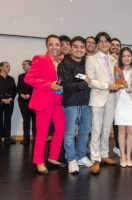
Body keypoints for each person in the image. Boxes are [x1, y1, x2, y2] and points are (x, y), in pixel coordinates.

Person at [25, 35, 66, 174]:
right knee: (42, 133)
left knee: (60, 129)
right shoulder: (40, 59)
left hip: (58, 101)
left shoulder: (62, 60)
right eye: (51, 44)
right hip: (44, 101)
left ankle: (53, 158)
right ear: (47, 46)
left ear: (60, 47)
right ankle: (39, 162)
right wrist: (49, 85)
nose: (55, 47)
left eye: (57, 44)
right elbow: (28, 78)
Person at [86, 32, 121, 175]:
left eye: (107, 41)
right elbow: (90, 81)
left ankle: (104, 154)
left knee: (107, 129)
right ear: (97, 44)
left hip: (112, 98)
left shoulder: (113, 60)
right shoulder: (91, 59)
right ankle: (95, 159)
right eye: (101, 41)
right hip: (98, 97)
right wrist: (108, 86)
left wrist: (121, 83)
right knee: (96, 129)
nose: (104, 44)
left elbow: (117, 77)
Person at [57, 36, 92, 174]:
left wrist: (86, 84)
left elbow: (93, 79)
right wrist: (84, 84)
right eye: (76, 47)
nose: (79, 50)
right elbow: (65, 85)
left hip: (87, 103)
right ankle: (71, 159)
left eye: (82, 47)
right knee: (70, 132)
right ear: (71, 48)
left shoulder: (88, 62)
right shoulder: (64, 64)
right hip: (71, 103)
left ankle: (81, 156)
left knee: (85, 131)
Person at [115, 47, 132, 167]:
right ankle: (122, 155)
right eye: (124, 56)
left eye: (128, 55)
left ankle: (129, 154)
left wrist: (128, 85)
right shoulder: (117, 69)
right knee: (121, 129)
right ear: (121, 57)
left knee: (131, 130)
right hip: (119, 102)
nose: (126, 58)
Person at [17, 60, 36, 144]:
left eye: (24, 65)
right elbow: (18, 87)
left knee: (35, 120)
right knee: (26, 120)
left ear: (30, 65)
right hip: (23, 101)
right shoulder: (21, 76)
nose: (23, 66)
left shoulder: (36, 75)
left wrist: (29, 95)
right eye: (22, 65)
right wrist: (21, 94)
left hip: (34, 100)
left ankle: (35, 138)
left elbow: (36, 87)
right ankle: (26, 138)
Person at [110, 38, 122, 157]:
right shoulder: (105, 59)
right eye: (113, 45)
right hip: (107, 95)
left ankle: (118, 146)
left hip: (120, 96)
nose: (115, 47)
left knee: (118, 123)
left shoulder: (123, 60)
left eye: (117, 45)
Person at [0, 62, 17, 144]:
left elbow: (14, 90)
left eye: (9, 66)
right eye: (7, 66)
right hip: (1, 101)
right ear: (1, 67)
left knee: (8, 119)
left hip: (9, 102)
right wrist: (2, 99)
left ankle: (7, 137)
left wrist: (11, 98)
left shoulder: (11, 79)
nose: (8, 68)